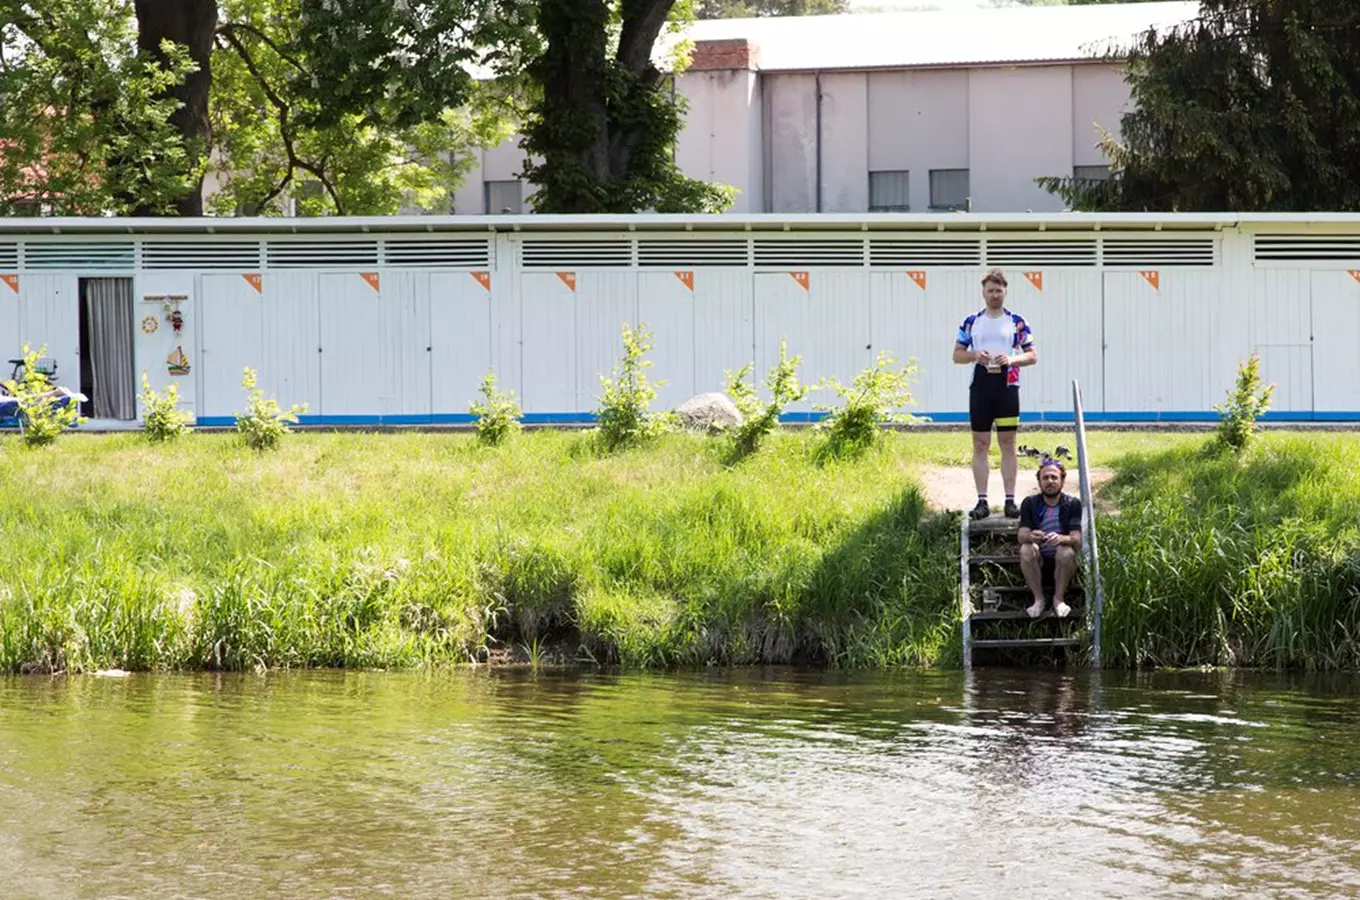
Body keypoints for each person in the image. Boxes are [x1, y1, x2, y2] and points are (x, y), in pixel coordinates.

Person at [952, 269, 1037, 519]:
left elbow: (1032, 355)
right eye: (990, 290)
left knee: (1008, 444)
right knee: (980, 444)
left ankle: (1011, 500)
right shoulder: (971, 322)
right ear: (983, 292)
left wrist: (1011, 359)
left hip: (1008, 387)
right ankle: (982, 501)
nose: (995, 295)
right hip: (980, 387)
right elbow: (957, 355)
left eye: (999, 290)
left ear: (1005, 292)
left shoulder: (1017, 321)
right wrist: (975, 355)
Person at [1017, 459, 1082, 619]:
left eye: (1054, 477)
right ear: (1039, 481)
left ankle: (1058, 599)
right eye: (1045, 478)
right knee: (1026, 548)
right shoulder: (1030, 503)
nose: (1050, 481)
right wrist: (1031, 536)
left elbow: (1077, 539)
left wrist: (1060, 538)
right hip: (1039, 561)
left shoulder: (1072, 504)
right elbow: (1021, 535)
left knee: (1065, 550)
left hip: (1064, 563)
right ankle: (1038, 599)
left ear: (1062, 481)